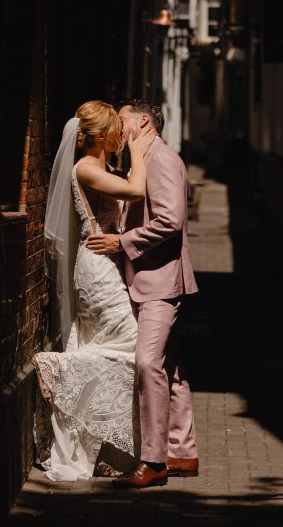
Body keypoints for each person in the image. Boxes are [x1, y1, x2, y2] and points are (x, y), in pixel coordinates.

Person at [33, 100, 155, 481]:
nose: (121, 133)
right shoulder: (85, 167)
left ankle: (93, 448)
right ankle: (59, 369)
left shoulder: (102, 168)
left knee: (108, 345)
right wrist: (139, 149)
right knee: (131, 343)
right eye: (116, 128)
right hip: (97, 271)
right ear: (101, 136)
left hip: (107, 263)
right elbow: (136, 189)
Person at [87, 98, 199, 488]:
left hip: (160, 280)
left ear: (144, 120)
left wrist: (122, 242)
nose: (118, 126)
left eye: (122, 119)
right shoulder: (143, 157)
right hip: (149, 277)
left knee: (148, 363)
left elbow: (170, 219)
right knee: (170, 368)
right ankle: (182, 452)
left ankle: (153, 461)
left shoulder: (161, 158)